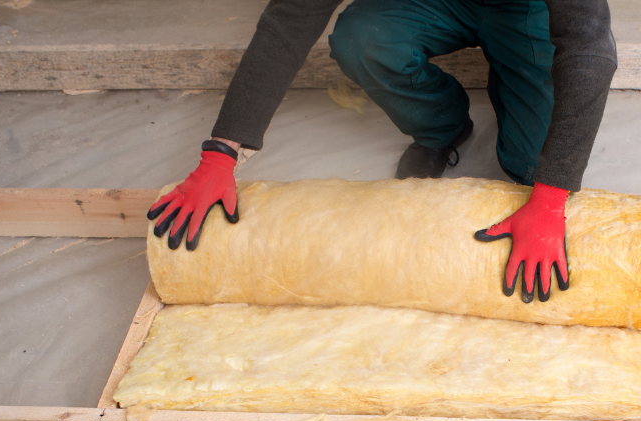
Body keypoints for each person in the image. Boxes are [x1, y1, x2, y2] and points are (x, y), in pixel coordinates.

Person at [148, 0, 616, 303]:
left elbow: (589, 46)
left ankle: (514, 77)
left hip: (527, 9)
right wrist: (221, 152)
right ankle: (442, 127)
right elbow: (290, 18)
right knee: (363, 37)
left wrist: (552, 196)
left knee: (532, 164)